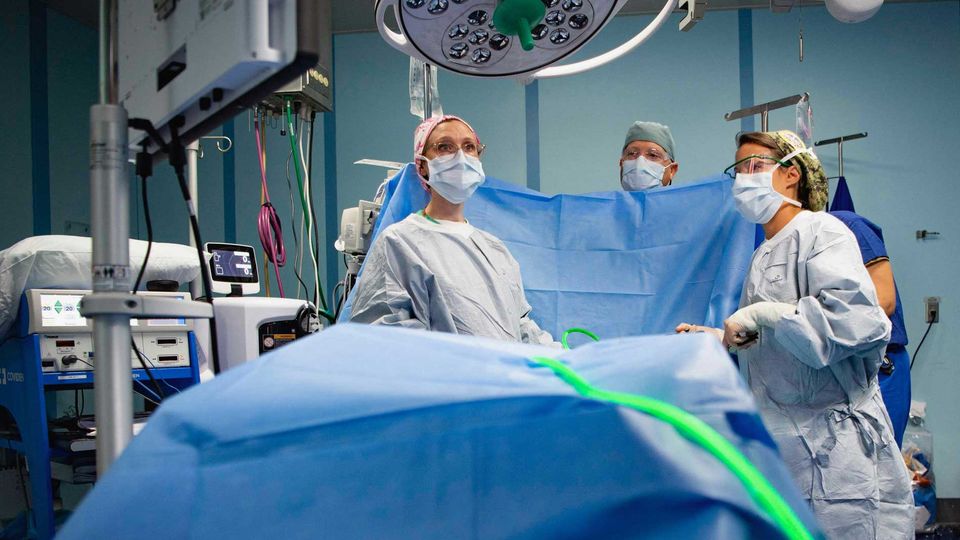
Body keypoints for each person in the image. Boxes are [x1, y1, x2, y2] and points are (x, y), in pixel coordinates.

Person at [677, 130, 912, 538]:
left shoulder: (824, 231)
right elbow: (780, 338)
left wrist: (762, 312)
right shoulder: (764, 252)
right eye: (737, 169)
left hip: (835, 450)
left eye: (755, 166)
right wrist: (720, 337)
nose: (743, 178)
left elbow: (862, 322)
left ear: (791, 175)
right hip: (787, 443)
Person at [349, 115, 555, 345]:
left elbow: (521, 326)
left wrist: (566, 361)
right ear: (423, 166)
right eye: (445, 147)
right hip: (445, 378)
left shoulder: (495, 249)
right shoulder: (399, 242)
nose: (460, 156)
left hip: (503, 376)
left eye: (469, 147)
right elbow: (384, 336)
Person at [831, 210, 911, 448]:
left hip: (879, 364)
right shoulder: (780, 245)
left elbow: (884, 301)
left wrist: (814, 322)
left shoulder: (848, 225)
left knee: (879, 459)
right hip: (835, 369)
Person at [619, 121, 679, 191]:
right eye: (632, 153)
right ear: (621, 165)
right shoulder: (607, 201)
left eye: (653, 155)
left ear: (672, 170)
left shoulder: (687, 201)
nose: (639, 163)